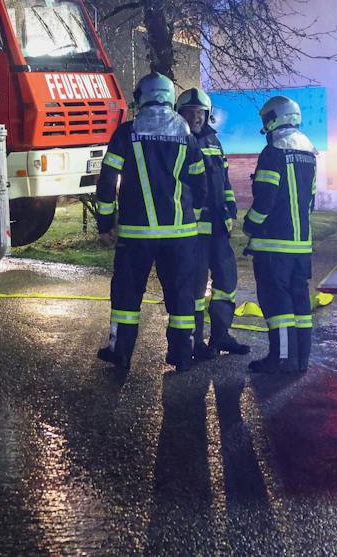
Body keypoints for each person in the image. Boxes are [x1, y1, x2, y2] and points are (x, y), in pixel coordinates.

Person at [95, 72, 209, 373]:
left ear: (141, 97)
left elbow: (107, 180)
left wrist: (105, 222)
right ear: (170, 98)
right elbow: (200, 181)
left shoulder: (126, 133)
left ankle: (120, 352)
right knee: (182, 295)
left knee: (127, 295)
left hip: (137, 234)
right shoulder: (186, 135)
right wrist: (192, 211)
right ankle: (183, 356)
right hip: (180, 234)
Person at [244, 95, 317, 374]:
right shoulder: (308, 151)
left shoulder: (273, 152)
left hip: (273, 244)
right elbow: (310, 198)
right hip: (301, 245)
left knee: (277, 303)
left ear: (275, 118)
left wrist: (250, 224)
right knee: (300, 302)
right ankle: (301, 360)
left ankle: (282, 359)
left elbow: (265, 199)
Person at [175, 88, 247, 359]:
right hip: (193, 230)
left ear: (207, 115)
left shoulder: (214, 141)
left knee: (226, 282)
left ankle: (221, 335)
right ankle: (195, 343)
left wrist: (230, 209)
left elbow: (224, 181)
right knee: (194, 289)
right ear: (179, 113)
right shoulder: (178, 141)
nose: (195, 117)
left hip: (218, 228)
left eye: (199, 112)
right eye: (189, 112)